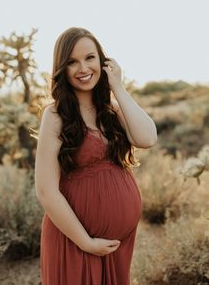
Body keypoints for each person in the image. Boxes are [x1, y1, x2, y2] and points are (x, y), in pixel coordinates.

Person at [35, 27, 157, 285]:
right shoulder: (56, 116)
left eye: (90, 58)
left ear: (102, 61)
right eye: (72, 62)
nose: (82, 68)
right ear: (62, 68)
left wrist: (118, 88)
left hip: (116, 246)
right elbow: (46, 191)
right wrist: (86, 242)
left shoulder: (111, 109)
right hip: (75, 242)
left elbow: (147, 138)